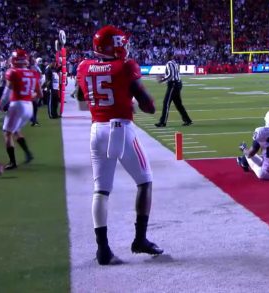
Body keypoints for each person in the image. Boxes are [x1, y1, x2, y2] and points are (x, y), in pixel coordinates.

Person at [75, 25, 163, 265]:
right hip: (121, 129)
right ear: (114, 45)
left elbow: (81, 98)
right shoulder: (125, 66)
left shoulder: (83, 66)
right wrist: (131, 99)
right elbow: (149, 106)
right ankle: (140, 239)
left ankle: (102, 250)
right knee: (145, 182)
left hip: (97, 129)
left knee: (101, 190)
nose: (125, 46)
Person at [0, 49, 41, 170]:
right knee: (15, 130)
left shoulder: (12, 72)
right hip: (29, 106)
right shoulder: (33, 73)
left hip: (17, 105)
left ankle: (12, 162)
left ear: (14, 60)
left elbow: (7, 92)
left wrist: (1, 104)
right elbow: (39, 94)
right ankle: (28, 153)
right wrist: (27, 97)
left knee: (7, 133)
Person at [154, 52, 192, 127]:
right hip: (177, 84)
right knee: (178, 104)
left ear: (169, 56)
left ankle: (163, 122)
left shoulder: (169, 63)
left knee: (166, 102)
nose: (165, 57)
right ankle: (187, 120)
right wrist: (164, 76)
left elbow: (171, 75)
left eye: (166, 55)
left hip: (173, 85)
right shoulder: (174, 63)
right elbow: (173, 74)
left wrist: (163, 79)